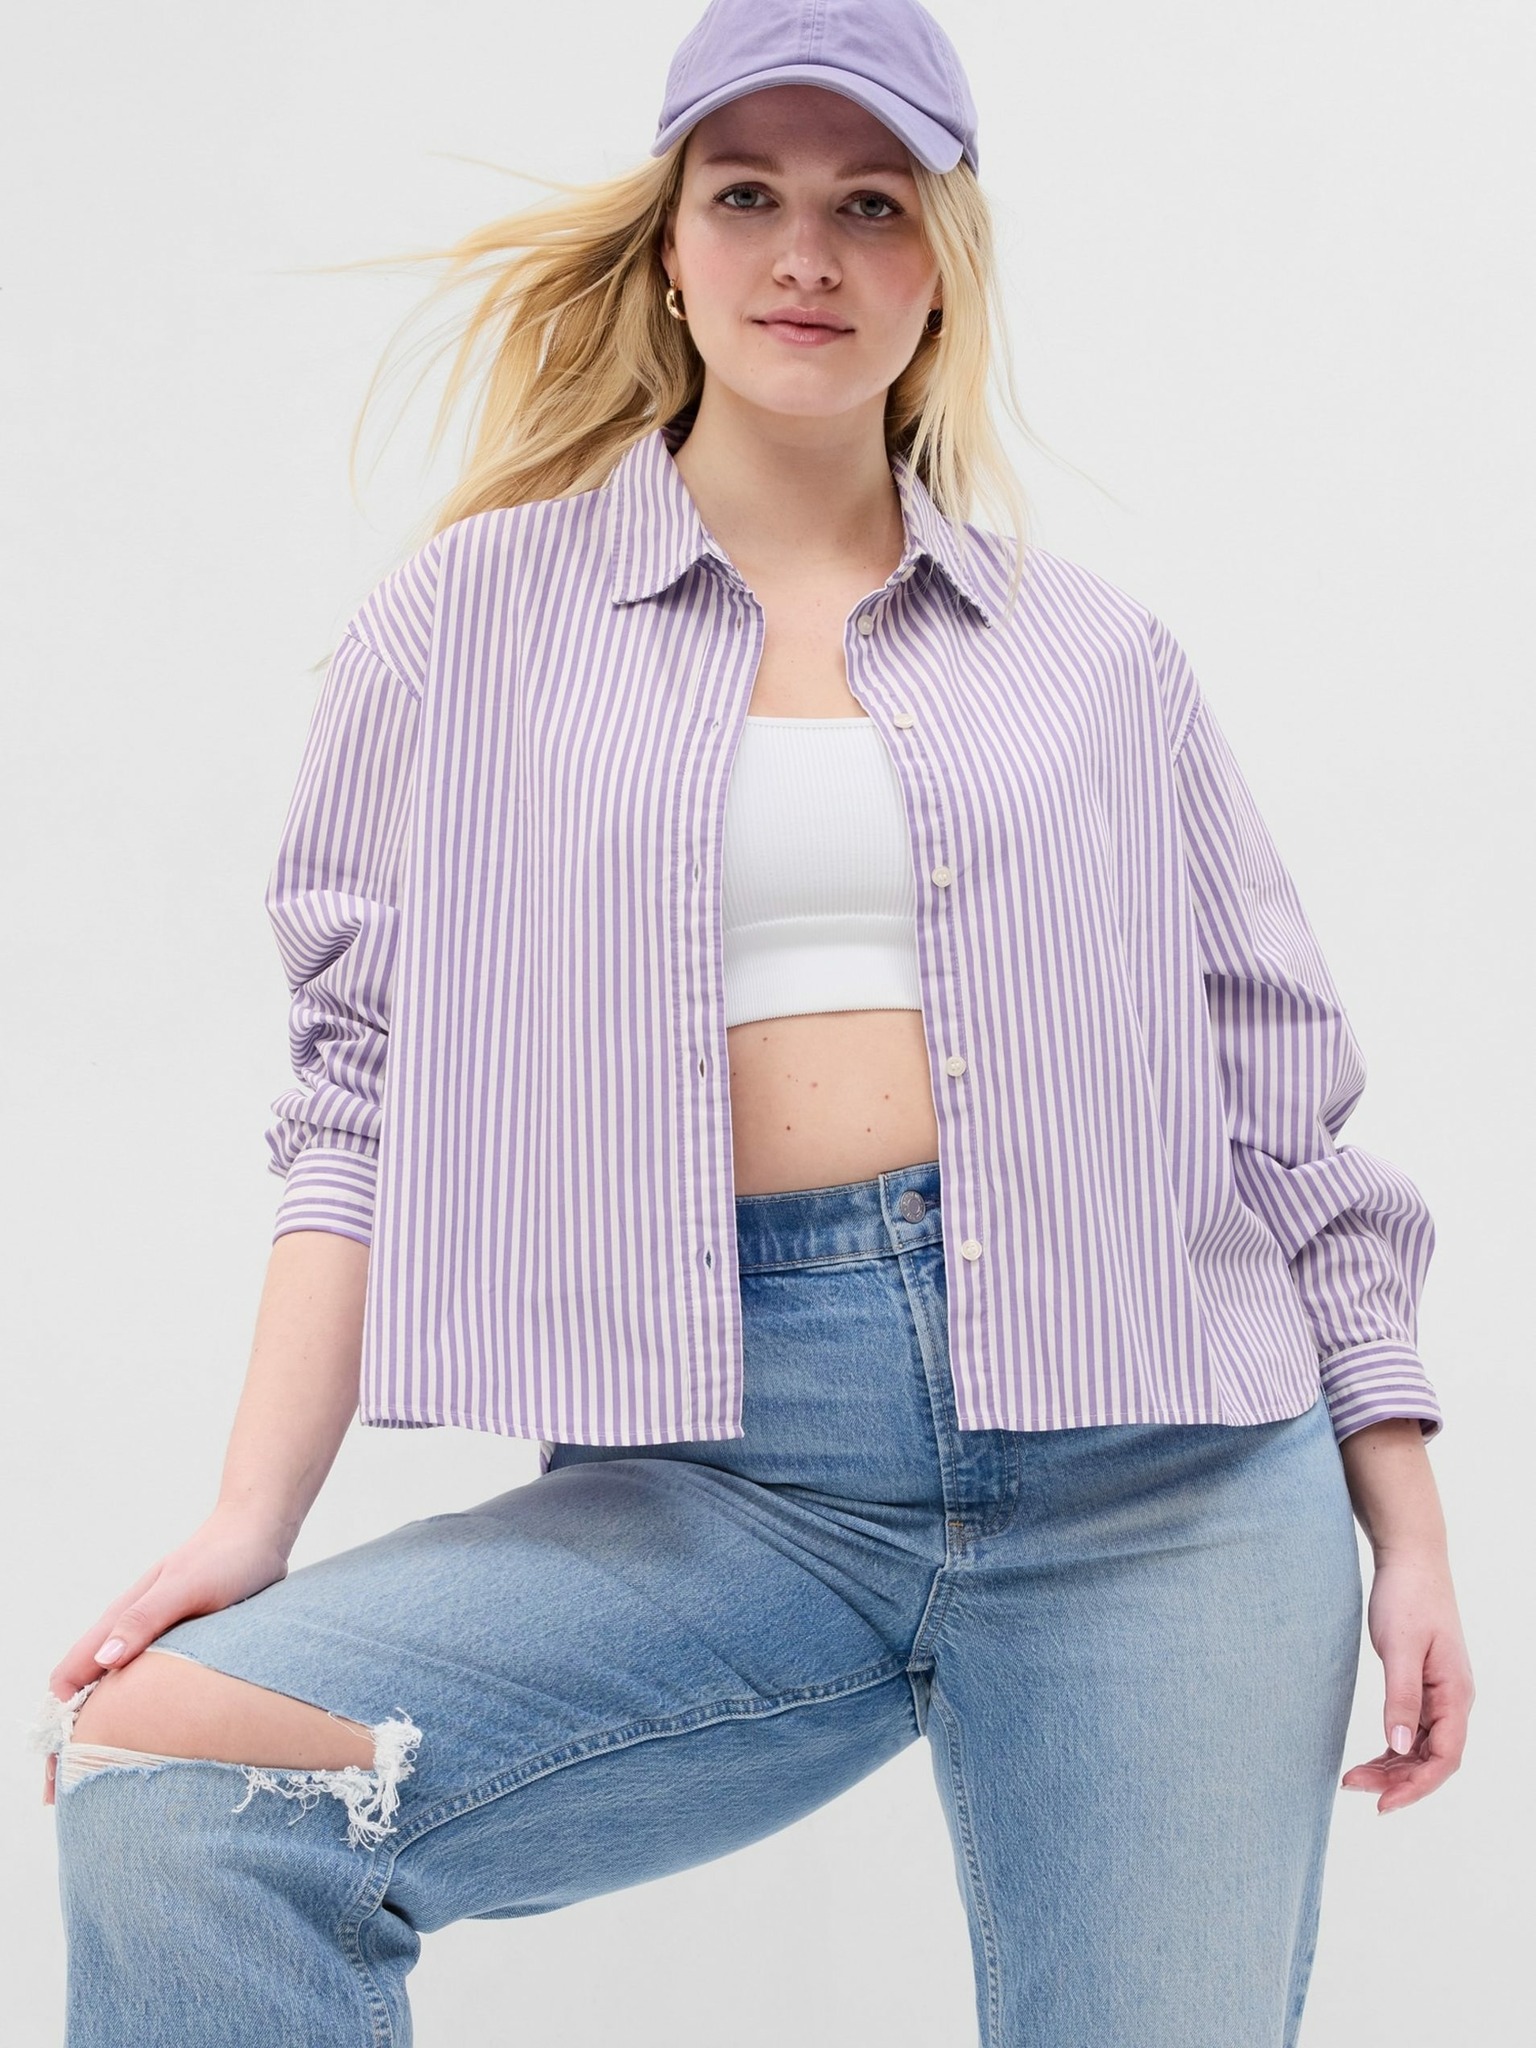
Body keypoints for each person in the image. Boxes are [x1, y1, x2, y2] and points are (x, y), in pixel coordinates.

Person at [31, 2, 1474, 2042]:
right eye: (748, 195)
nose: (807, 251)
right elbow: (357, 1092)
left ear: (940, 267)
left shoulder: (1094, 658)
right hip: (731, 1474)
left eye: (870, 203)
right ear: (672, 245)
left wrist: (1403, 1525)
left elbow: (1284, 1118)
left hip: (1169, 1477)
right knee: (175, 1799)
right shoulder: (471, 624)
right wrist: (249, 1522)